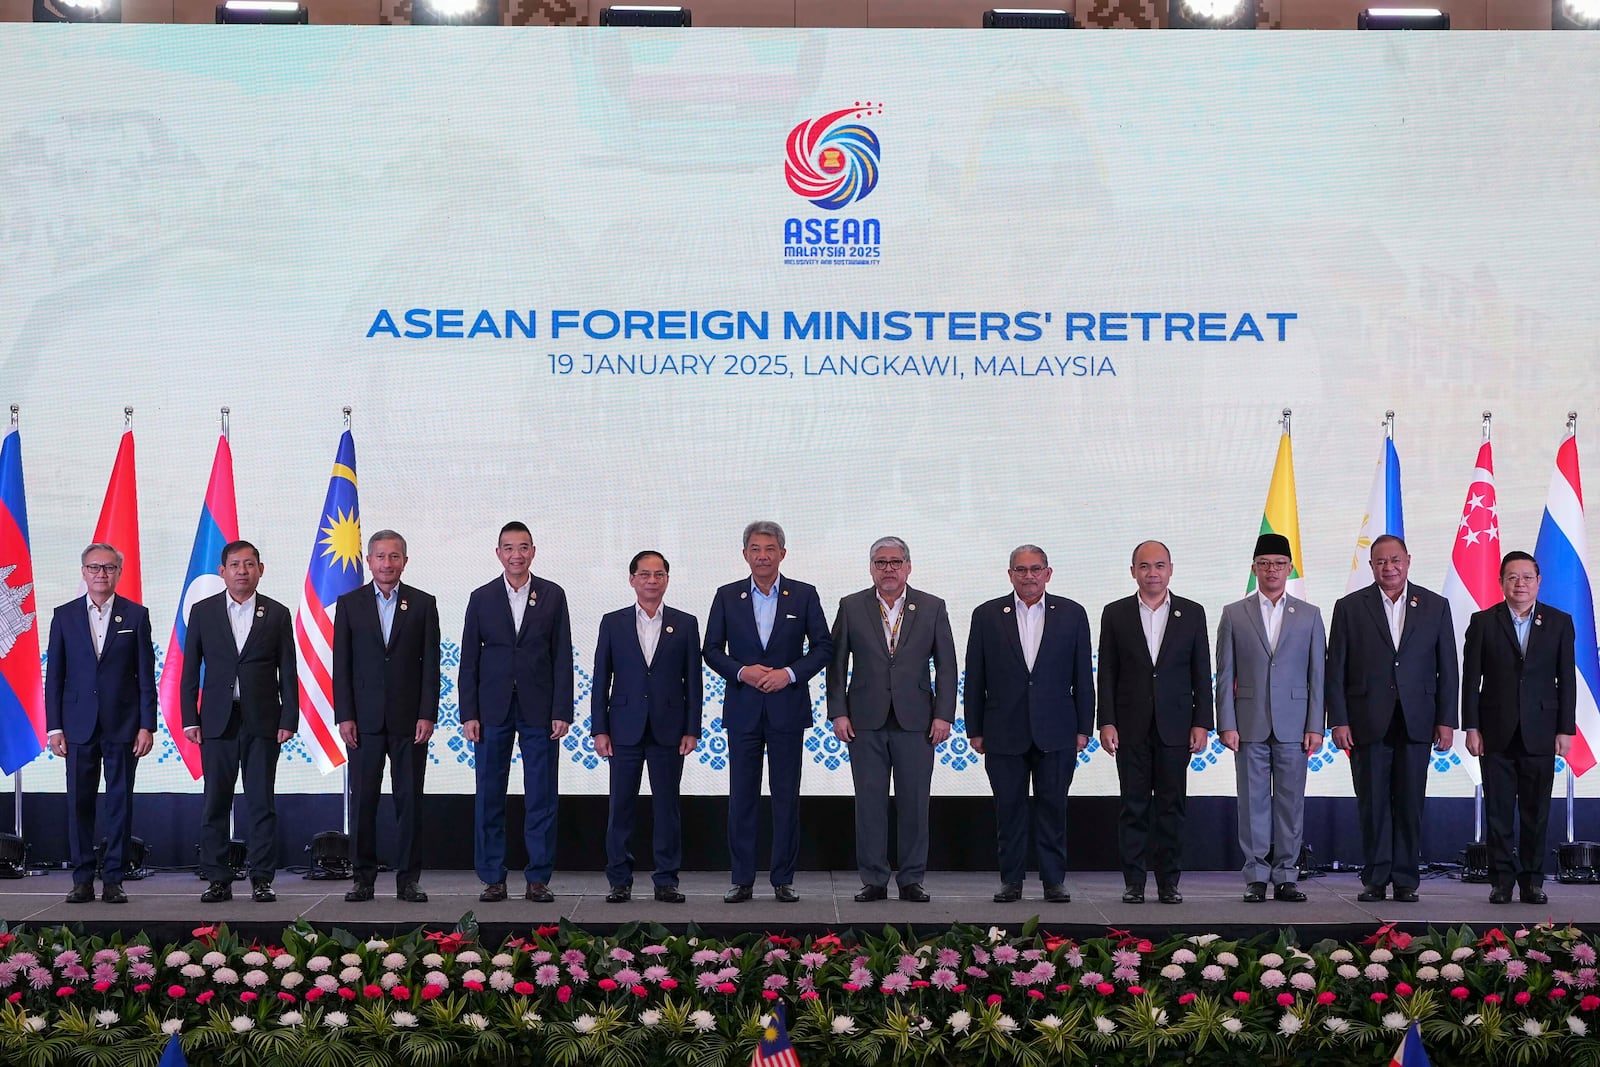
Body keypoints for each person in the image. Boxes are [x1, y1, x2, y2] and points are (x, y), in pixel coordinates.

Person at [703, 520, 831, 903]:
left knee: (785, 796)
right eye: (755, 549)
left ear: (782, 553)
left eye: (769, 549)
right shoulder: (727, 596)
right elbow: (711, 649)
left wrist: (789, 674)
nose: (762, 556)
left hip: (786, 709)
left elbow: (824, 647)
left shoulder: (804, 595)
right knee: (741, 796)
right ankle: (742, 878)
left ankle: (783, 878)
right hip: (742, 710)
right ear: (745, 554)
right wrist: (743, 671)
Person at [1327, 534, 1457, 903]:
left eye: (1395, 560)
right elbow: (1335, 669)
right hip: (1367, 720)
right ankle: (1375, 878)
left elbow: (1447, 669)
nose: (1389, 567)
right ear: (1371, 566)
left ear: (1408, 560)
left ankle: (1405, 880)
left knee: (1410, 803)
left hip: (1418, 721)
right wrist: (1339, 719)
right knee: (1372, 803)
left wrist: (1446, 720)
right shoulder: (1350, 607)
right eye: (1381, 561)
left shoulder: (1435, 605)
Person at [826, 536, 957, 904]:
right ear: (871, 568)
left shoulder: (932, 607)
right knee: (869, 803)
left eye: (895, 562)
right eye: (881, 562)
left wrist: (944, 714)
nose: (888, 569)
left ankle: (912, 878)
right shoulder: (851, 606)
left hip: (917, 721)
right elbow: (836, 665)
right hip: (864, 720)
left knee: (915, 803)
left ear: (908, 567)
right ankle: (874, 879)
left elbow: (946, 666)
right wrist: (838, 711)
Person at [963, 544, 1093, 903]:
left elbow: (1084, 676)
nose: (1029, 576)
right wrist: (974, 727)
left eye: (1036, 569)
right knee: (1009, 811)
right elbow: (975, 674)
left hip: (1058, 731)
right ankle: (1011, 881)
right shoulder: (987, 614)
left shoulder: (1072, 613)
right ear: (1010, 575)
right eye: (1021, 570)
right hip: (1003, 730)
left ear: (1048, 573)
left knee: (1054, 807)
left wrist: (1085, 728)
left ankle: (1054, 881)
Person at [459, 521, 573, 904]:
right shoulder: (481, 597)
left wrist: (562, 710)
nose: (516, 555)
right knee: (489, 794)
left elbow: (562, 657)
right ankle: (493, 877)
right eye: (508, 548)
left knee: (542, 794)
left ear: (533, 552)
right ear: (498, 554)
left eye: (523, 547)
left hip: (540, 709)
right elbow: (469, 661)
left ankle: (538, 877)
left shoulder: (553, 595)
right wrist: (468, 712)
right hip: (491, 710)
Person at [180, 540, 298, 903]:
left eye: (249, 564)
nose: (242, 571)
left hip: (263, 720)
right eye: (235, 564)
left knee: (261, 802)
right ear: (222, 571)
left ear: (260, 569)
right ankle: (217, 878)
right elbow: (188, 672)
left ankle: (261, 877)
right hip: (216, 720)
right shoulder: (203, 612)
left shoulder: (276, 613)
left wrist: (288, 717)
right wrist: (189, 719)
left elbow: (289, 672)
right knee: (215, 801)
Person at [1096, 540, 1212, 904]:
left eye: (1159, 566)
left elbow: (1200, 672)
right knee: (1133, 805)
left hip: (1176, 727)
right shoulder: (1115, 613)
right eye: (1144, 566)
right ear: (1133, 571)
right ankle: (1134, 882)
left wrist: (1201, 722)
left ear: (1171, 569)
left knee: (1171, 806)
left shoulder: (1192, 613)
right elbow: (1108, 673)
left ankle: (1168, 883)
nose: (1152, 573)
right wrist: (1107, 721)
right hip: (1130, 725)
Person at [1214, 533, 1326, 903]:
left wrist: (1315, 725)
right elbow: (1225, 673)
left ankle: (1286, 875)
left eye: (1279, 563)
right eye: (1264, 564)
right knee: (1252, 802)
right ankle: (1256, 876)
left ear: (1289, 568)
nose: (1272, 570)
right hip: (1248, 722)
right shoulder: (1234, 613)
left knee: (1291, 803)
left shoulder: (1309, 615)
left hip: (1295, 725)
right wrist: (1226, 723)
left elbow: (1317, 676)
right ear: (1254, 569)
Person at [43, 543, 156, 904]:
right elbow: (55, 677)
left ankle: (113, 879)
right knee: (79, 803)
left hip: (124, 725)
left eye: (108, 567)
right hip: (76, 726)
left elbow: (145, 677)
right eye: (94, 567)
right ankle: (81, 879)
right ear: (84, 572)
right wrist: (54, 727)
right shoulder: (64, 616)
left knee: (119, 803)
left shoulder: (136, 616)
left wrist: (147, 725)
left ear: (119, 573)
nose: (101, 574)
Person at [333, 530, 441, 903]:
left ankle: (408, 879)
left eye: (394, 557)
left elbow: (431, 666)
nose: (387, 564)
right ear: (369, 561)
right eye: (380, 557)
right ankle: (362, 878)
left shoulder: (424, 604)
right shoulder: (349, 604)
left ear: (404, 562)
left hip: (410, 721)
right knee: (363, 801)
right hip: (362, 722)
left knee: (409, 801)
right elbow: (341, 665)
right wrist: (344, 715)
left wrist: (428, 713)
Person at [1462, 550, 1575, 905]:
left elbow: (1566, 679)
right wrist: (1472, 727)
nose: (1520, 583)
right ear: (1501, 583)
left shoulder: (1559, 622)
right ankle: (1501, 881)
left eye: (1527, 577)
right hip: (1495, 730)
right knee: (1498, 812)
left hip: (1542, 730)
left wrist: (1565, 728)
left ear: (1538, 581)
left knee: (1536, 812)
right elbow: (1471, 680)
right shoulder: (1483, 622)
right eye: (1512, 577)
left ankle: (1532, 881)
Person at [591, 550, 702, 904]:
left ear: (667, 579)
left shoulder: (685, 623)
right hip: (622, 728)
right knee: (620, 806)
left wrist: (692, 728)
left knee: (667, 807)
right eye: (644, 574)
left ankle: (666, 879)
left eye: (658, 574)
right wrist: (599, 729)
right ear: (632, 580)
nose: (651, 580)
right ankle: (619, 879)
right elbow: (600, 679)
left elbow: (694, 682)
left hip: (669, 729)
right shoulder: (613, 622)